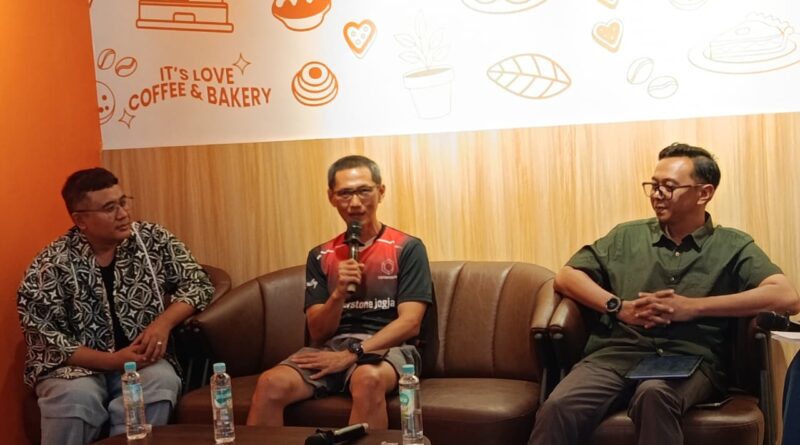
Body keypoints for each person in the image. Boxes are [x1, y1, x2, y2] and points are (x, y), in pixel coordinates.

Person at [529, 143, 800, 445]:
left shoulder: (731, 245)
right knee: (558, 406)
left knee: (654, 394)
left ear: (704, 193)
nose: (657, 195)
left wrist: (693, 307)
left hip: (690, 361)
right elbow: (567, 276)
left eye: (668, 187)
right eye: (653, 186)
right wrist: (618, 307)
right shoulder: (626, 236)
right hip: (616, 356)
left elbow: (786, 296)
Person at [17, 168, 214, 445]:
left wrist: (163, 324)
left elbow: (198, 283)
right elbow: (44, 337)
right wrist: (110, 361)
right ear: (80, 220)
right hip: (76, 369)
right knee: (76, 397)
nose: (123, 214)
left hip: (143, 360)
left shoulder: (153, 240)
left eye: (123, 202)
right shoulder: (51, 264)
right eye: (110, 208)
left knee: (160, 382)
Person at [246, 155, 433, 429]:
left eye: (364, 191)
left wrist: (353, 353)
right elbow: (318, 331)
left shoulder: (407, 247)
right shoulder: (321, 255)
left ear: (381, 192)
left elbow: (410, 322)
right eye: (345, 193)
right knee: (270, 383)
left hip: (389, 348)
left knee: (367, 379)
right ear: (331, 197)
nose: (355, 202)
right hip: (332, 347)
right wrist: (338, 294)